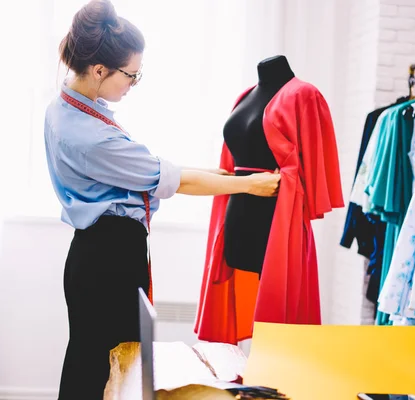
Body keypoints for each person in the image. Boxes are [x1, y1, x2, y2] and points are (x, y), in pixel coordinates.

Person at [44, 0, 281, 398]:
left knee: (94, 362)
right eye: (131, 75)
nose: (133, 84)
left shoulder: (68, 106)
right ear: (100, 70)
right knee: (108, 367)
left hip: (96, 255)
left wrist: (215, 173)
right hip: (109, 261)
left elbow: (143, 168)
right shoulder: (90, 137)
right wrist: (249, 186)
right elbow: (172, 180)